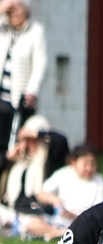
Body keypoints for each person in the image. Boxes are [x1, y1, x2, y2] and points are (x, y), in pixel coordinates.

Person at [24, 143, 103, 241]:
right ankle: (60, 233)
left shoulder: (100, 181)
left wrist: (73, 216)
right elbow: (40, 194)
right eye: (85, 164)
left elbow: (98, 214)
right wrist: (54, 199)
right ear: (73, 162)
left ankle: (58, 233)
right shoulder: (64, 174)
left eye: (92, 164)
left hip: (83, 222)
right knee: (32, 223)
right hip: (59, 221)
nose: (89, 168)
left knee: (91, 229)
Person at [0, 114, 67, 238]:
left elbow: (61, 141)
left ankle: (56, 232)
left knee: (31, 223)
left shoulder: (49, 157)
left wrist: (36, 133)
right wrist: (8, 157)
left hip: (37, 210)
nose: (30, 143)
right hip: (14, 208)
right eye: (27, 140)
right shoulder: (19, 159)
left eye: (34, 139)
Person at [0, 0, 46, 150]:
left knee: (14, 142)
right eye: (11, 10)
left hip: (18, 99)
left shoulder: (35, 32)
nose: (15, 13)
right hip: (1, 98)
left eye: (18, 8)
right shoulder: (3, 28)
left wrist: (32, 90)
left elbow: (40, 65)